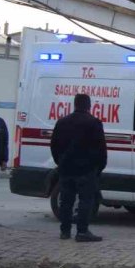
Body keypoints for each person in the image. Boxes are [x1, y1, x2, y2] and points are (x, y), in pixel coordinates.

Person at [51, 93, 107, 242]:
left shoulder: (62, 122)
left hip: (66, 168)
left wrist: (60, 162)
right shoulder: (94, 123)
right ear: (89, 106)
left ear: (75, 104)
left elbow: (54, 146)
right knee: (85, 200)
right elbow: (101, 149)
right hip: (86, 170)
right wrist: (98, 168)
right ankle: (82, 232)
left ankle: (65, 231)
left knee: (66, 201)